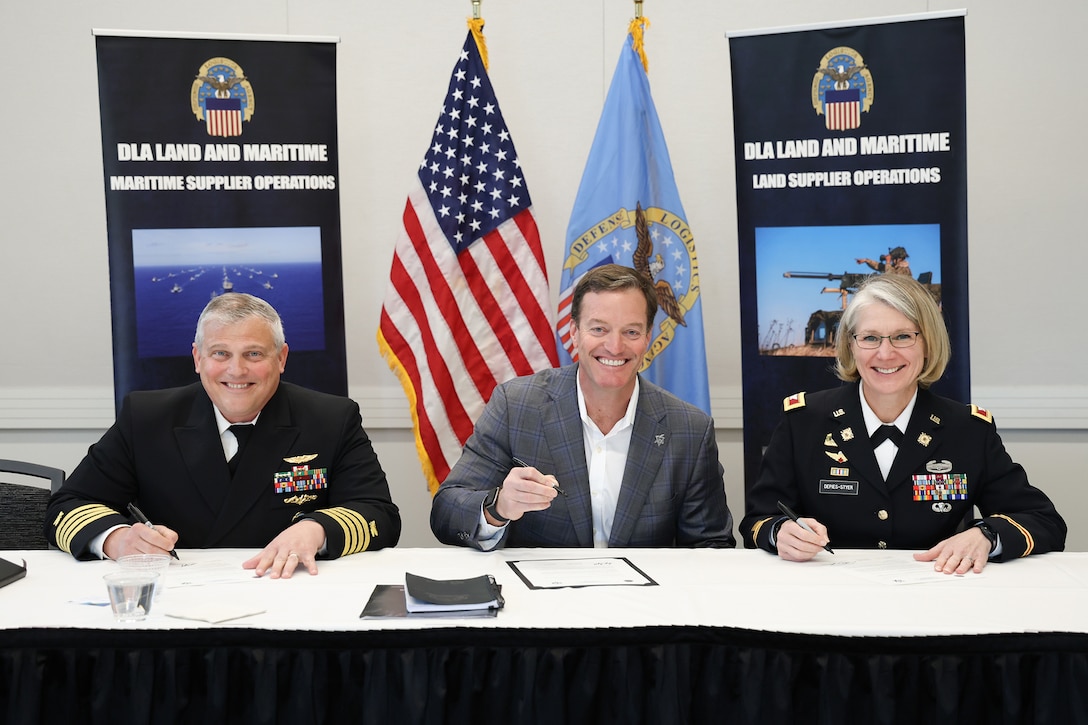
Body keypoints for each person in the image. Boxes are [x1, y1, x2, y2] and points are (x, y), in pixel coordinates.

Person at [46, 293, 400, 577]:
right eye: (220, 354)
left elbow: (379, 515)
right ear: (198, 358)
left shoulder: (331, 418)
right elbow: (67, 506)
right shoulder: (147, 417)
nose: (237, 370)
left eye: (254, 354)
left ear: (282, 358)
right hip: (178, 596)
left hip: (289, 591)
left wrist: (317, 529)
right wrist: (118, 540)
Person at [741, 274, 1065, 573]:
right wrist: (779, 532)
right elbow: (759, 519)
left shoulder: (967, 429)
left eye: (902, 336)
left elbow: (1043, 521)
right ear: (851, 346)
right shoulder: (804, 421)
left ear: (928, 344)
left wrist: (986, 535)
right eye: (869, 337)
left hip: (937, 599)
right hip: (828, 596)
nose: (885, 354)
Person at [430, 263, 735, 550]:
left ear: (648, 337)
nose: (615, 347)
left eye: (631, 331)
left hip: (644, 603)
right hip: (541, 599)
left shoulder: (689, 429)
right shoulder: (517, 406)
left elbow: (710, 548)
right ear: (574, 333)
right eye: (599, 329)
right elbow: (447, 512)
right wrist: (498, 507)